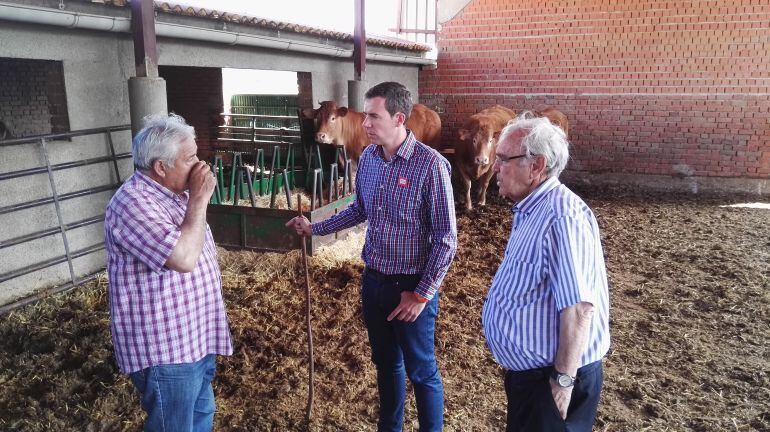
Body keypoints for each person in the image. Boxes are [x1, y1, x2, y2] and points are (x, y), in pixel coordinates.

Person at [286, 81, 457, 432]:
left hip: (410, 286)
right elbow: (359, 209)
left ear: (398, 118)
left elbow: (446, 239)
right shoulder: (368, 159)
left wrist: (422, 294)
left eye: (373, 117)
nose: (365, 124)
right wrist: (314, 227)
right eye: (366, 116)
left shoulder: (431, 167)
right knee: (386, 364)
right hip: (373, 281)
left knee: (421, 370)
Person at [482, 113, 610, 432]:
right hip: (532, 378)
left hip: (551, 380)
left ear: (536, 166)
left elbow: (579, 309)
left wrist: (562, 383)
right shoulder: (531, 208)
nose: (495, 167)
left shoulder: (560, 218)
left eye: (502, 159)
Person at [104, 114, 232, 432]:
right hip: (167, 349)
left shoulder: (175, 195)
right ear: (161, 167)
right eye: (190, 158)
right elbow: (184, 258)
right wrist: (200, 198)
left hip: (195, 338)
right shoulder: (132, 203)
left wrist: (194, 198)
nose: (200, 164)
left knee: (200, 416)